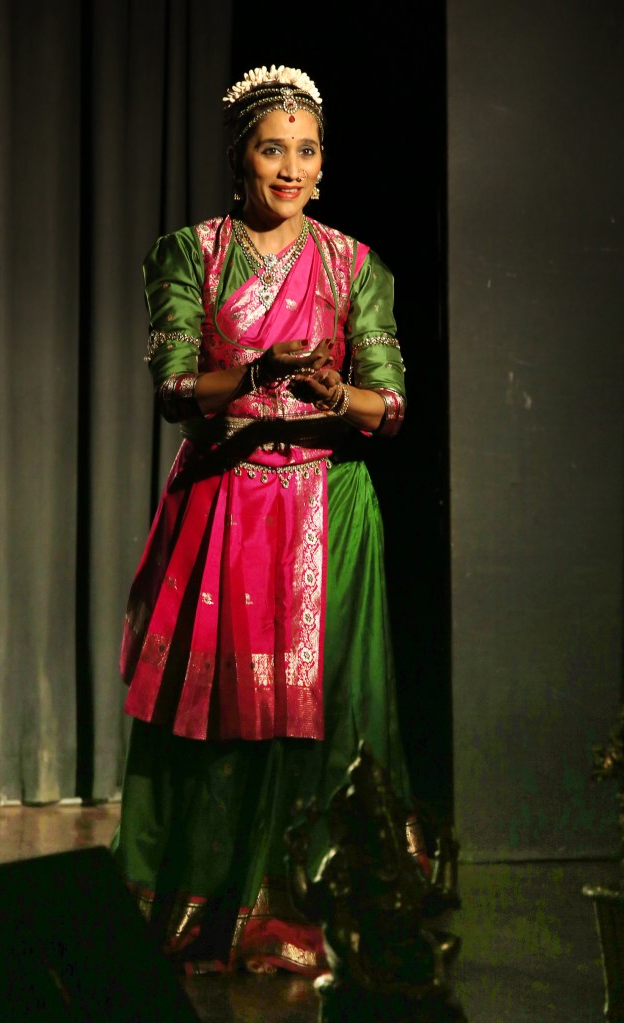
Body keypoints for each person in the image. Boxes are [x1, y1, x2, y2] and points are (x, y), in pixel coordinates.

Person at [110, 64, 426, 977]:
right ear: (238, 159)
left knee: (318, 711)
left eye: (306, 150)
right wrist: (255, 374)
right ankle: (202, 906)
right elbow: (175, 392)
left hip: (330, 505)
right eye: (271, 149)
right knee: (218, 709)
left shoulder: (355, 265)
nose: (290, 168)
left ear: (323, 165)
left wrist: (334, 392)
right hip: (226, 503)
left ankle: (299, 907)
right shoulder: (190, 255)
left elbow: (390, 408)